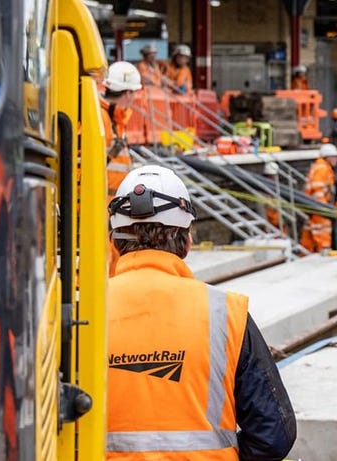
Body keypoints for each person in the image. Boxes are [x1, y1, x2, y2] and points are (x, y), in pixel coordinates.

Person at [106, 165, 296, 461]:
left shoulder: (80, 313)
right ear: (187, 241)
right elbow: (273, 435)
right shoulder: (227, 313)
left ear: (114, 241)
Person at [101, 61, 141, 203]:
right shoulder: (102, 119)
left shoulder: (116, 121)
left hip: (113, 207)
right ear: (128, 93)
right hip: (103, 209)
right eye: (134, 93)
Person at [301, 143, 337, 252]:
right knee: (322, 233)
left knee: (309, 234)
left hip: (312, 207)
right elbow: (318, 191)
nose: (336, 159)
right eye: (334, 157)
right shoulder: (322, 169)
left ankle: (305, 255)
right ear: (328, 157)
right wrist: (324, 209)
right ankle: (324, 253)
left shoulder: (319, 167)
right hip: (318, 208)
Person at [264, 161, 282, 229]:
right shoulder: (264, 189)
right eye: (270, 176)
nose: (272, 178)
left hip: (278, 220)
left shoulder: (278, 188)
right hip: (271, 221)